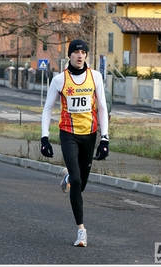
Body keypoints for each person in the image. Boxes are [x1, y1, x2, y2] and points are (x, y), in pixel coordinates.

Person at [41, 39, 109, 247]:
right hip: (68, 134)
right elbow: (47, 109)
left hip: (89, 134)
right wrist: (45, 138)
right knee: (77, 183)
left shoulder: (95, 76)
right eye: (76, 52)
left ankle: (68, 175)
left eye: (83, 53)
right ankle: (81, 231)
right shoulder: (60, 80)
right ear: (69, 55)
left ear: (86, 56)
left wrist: (104, 138)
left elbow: (103, 108)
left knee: (81, 185)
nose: (80, 56)